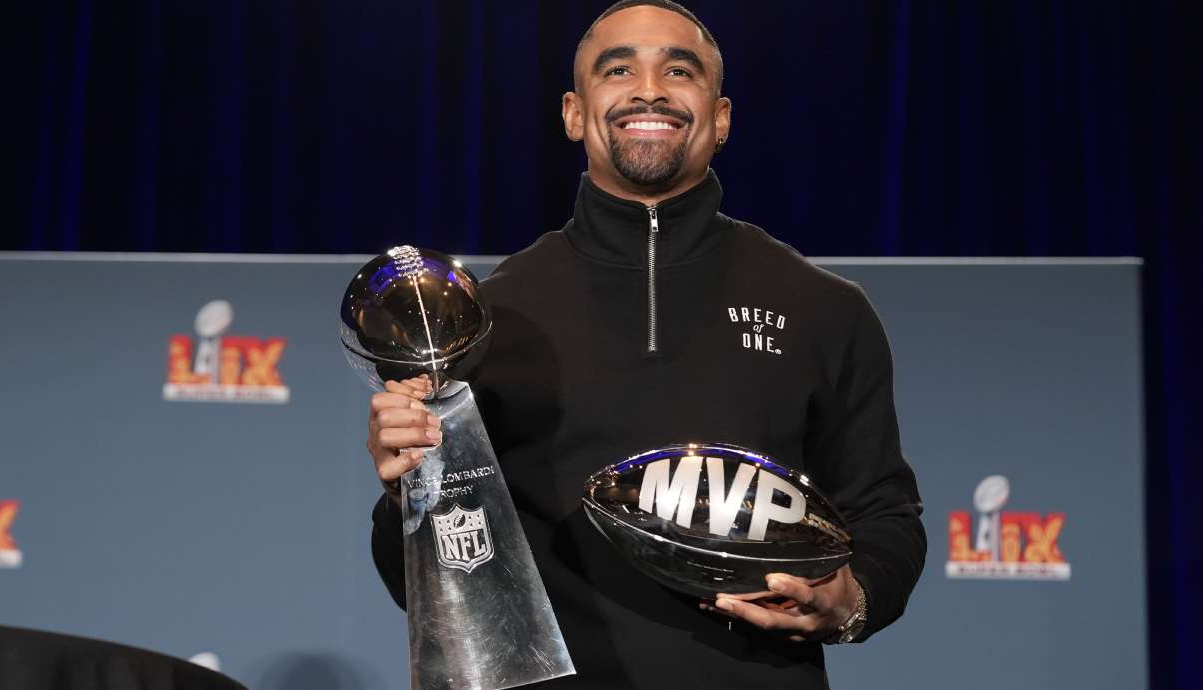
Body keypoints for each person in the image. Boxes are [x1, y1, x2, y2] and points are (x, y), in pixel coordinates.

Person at [366, 1, 926, 687]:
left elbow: (885, 517)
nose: (650, 89)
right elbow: (428, 583)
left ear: (721, 118)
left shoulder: (824, 308)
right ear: (574, 113)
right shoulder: (491, 319)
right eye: (619, 68)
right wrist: (407, 493)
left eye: (680, 70)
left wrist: (852, 600)